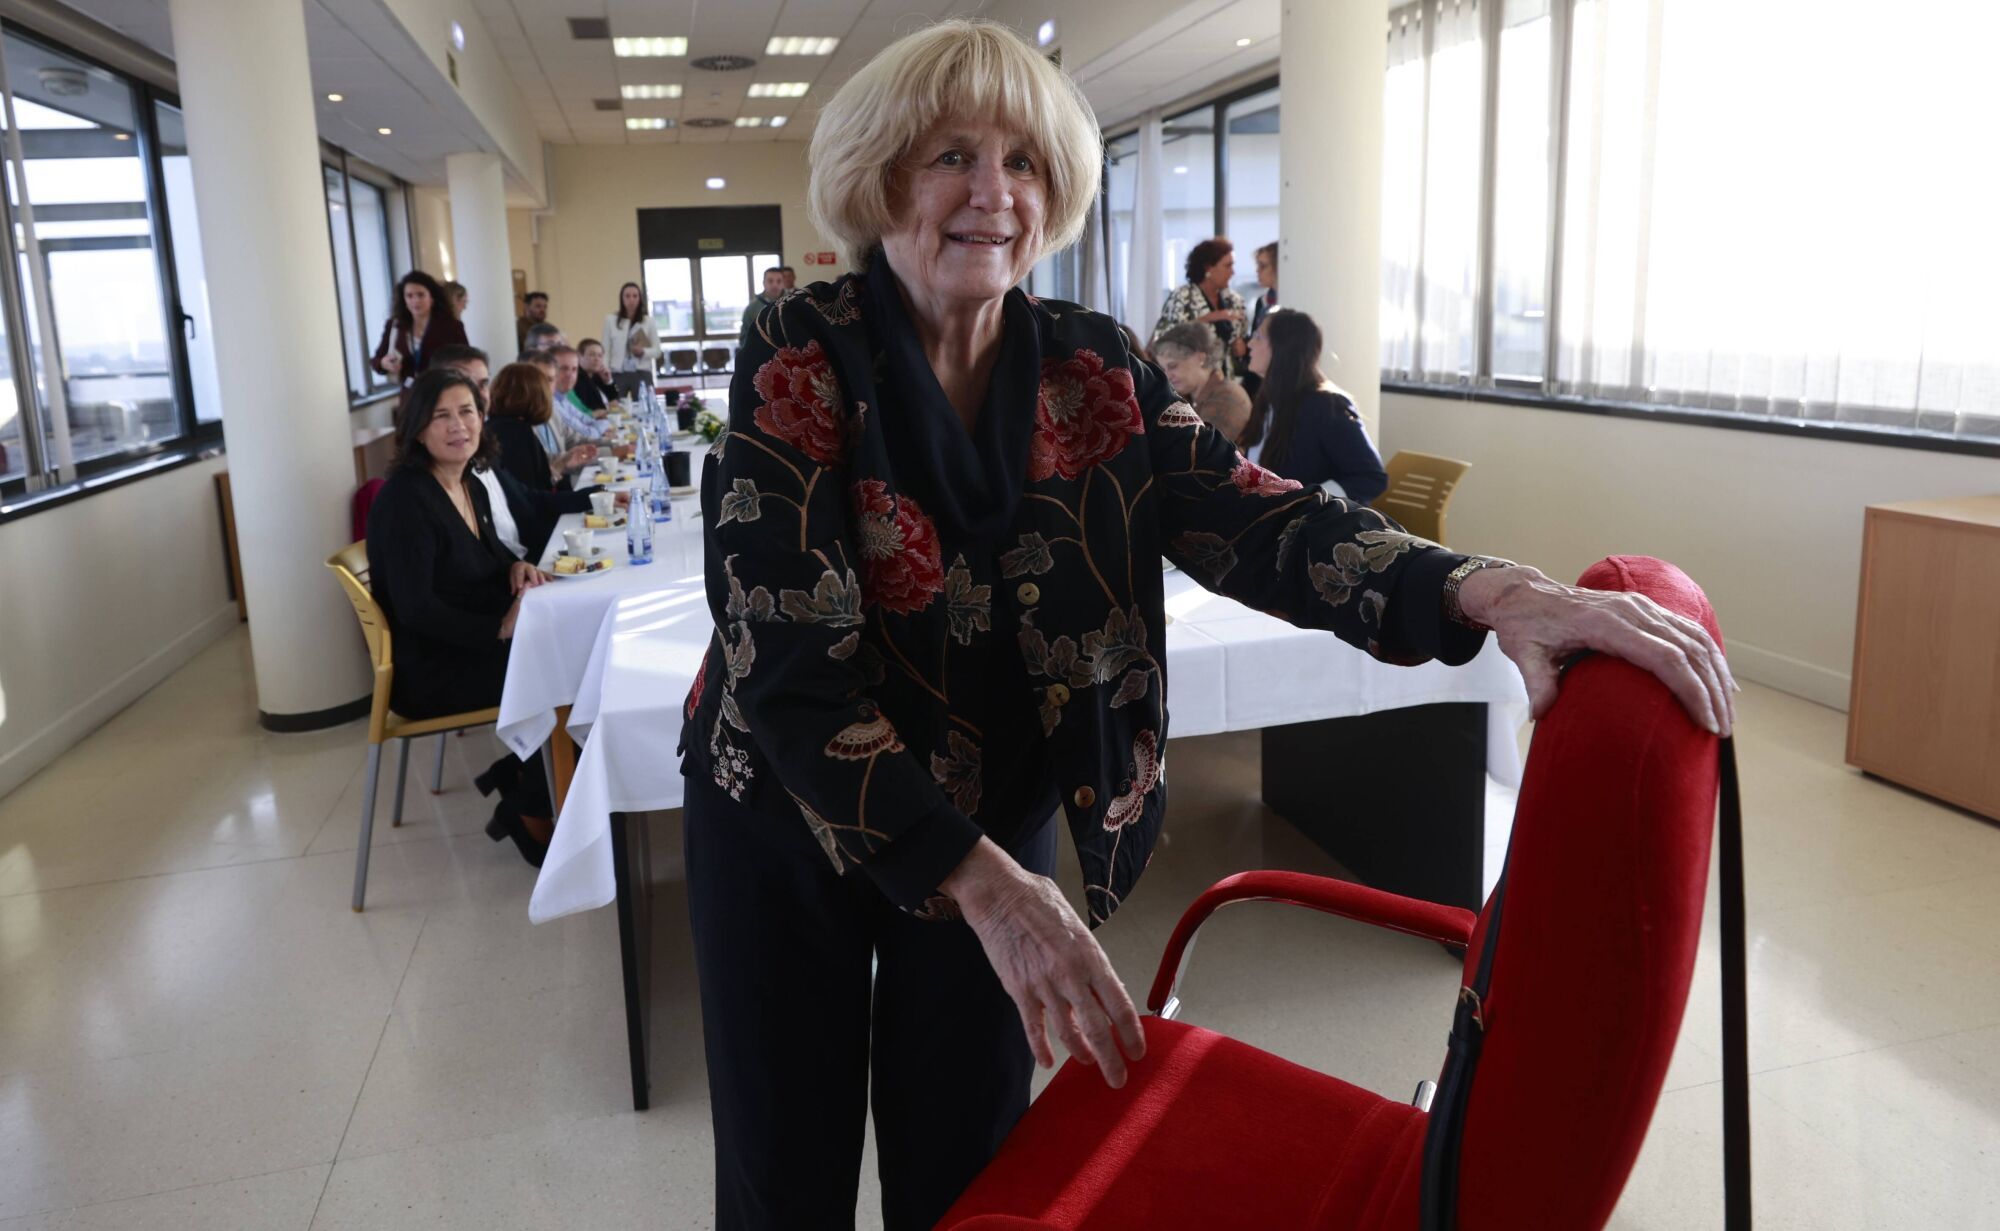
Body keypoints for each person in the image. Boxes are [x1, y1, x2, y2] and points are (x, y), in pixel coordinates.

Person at [685, 19, 1735, 1231]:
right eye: (950, 157)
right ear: (880, 180)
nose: (992, 194)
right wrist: (994, 889)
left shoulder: (1095, 370)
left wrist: (1474, 587)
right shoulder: (800, 348)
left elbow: (1262, 521)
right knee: (784, 1175)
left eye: (1023, 162)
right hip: (789, 815)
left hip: (990, 810)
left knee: (962, 1164)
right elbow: (792, 672)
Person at [363, 368, 555, 866]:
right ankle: (530, 803)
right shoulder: (405, 499)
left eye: (466, 412)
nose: (458, 426)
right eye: (440, 416)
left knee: (564, 652)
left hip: (466, 646)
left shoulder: (466, 481)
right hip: (432, 667)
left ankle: (526, 778)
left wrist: (515, 566)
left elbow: (487, 558)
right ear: (417, 428)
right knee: (558, 673)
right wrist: (498, 626)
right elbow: (416, 607)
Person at [435, 345, 604, 562]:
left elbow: (526, 498)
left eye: (483, 384)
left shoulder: (485, 444)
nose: (475, 394)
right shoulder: (510, 433)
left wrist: (597, 494)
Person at [1241, 308, 1389, 503]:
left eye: (1258, 337)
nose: (1249, 343)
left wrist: (1307, 502)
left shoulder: (1326, 406)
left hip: (1309, 527)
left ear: (1282, 348)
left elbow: (1371, 477)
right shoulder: (1267, 400)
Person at [1153, 237, 1249, 377]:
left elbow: (1241, 339)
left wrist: (1240, 347)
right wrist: (1205, 319)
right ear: (1208, 268)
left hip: (1226, 379)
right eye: (1227, 266)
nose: (1232, 272)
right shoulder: (1182, 297)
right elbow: (1164, 338)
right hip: (1188, 380)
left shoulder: (1234, 301)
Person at [1152, 321, 1252, 443]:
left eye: (1173, 366)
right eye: (1163, 369)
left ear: (1201, 358)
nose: (1167, 375)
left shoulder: (1227, 397)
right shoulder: (1188, 397)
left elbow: (1198, 452)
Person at [370, 270, 467, 385]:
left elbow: (466, 360)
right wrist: (383, 363)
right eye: (409, 296)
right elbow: (376, 360)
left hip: (441, 392)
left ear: (431, 298)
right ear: (404, 300)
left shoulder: (451, 326)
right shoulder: (395, 325)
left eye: (421, 295)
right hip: (410, 395)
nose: (415, 301)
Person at [603, 281, 659, 373]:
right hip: (617, 371)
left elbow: (657, 351)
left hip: (641, 370)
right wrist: (605, 370)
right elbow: (605, 350)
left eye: (635, 296)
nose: (631, 300)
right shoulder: (610, 321)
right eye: (627, 296)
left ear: (640, 299)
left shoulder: (649, 321)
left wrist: (643, 352)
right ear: (622, 299)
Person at [740, 266, 787, 339]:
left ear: (783, 283)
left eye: (779, 281)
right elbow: (744, 337)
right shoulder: (752, 308)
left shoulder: (792, 304)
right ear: (764, 283)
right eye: (770, 281)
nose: (775, 285)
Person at [574, 338, 621, 411]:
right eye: (592, 355)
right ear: (579, 356)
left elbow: (615, 397)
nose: (597, 359)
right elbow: (592, 408)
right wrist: (609, 407)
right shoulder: (577, 378)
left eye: (600, 355)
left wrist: (608, 382)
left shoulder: (596, 375)